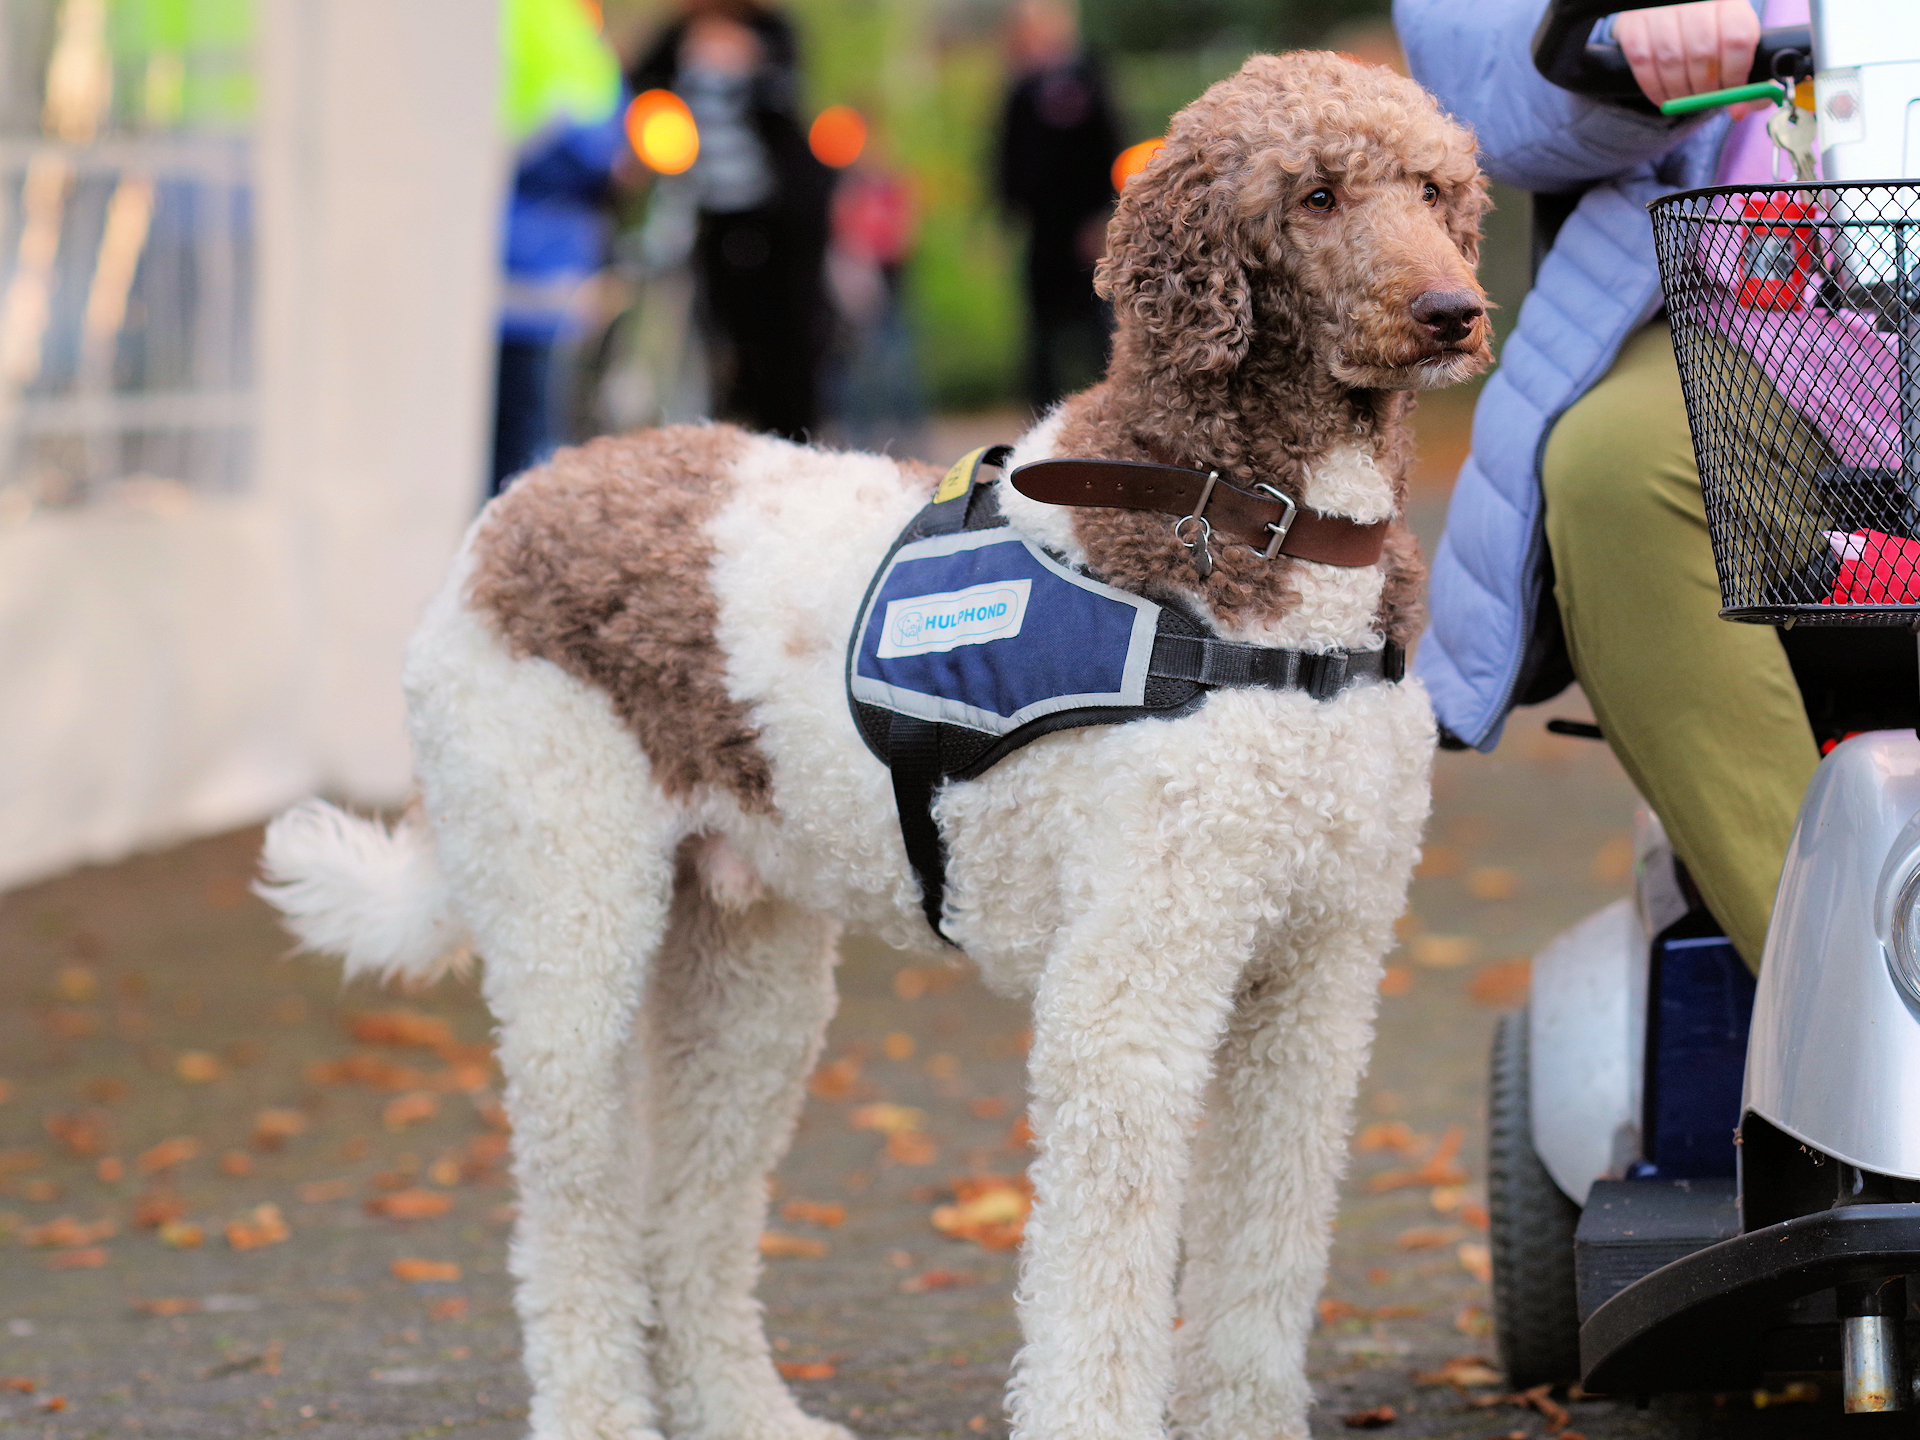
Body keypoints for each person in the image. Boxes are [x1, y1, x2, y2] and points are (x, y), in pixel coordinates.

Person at [1395, 0, 1844, 970]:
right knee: (1615, 470)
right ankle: (1848, 992)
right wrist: (1630, 47)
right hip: (1754, 328)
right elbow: (1480, 84)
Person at [629, 0, 834, 441]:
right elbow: (636, 89)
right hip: (714, 215)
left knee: (788, 340)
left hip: (780, 215)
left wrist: (751, 63)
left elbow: (789, 95)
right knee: (725, 338)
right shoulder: (677, 35)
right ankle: (738, 437)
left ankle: (796, 441)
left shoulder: (770, 31)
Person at [493, 0, 630, 494]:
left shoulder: (549, 24)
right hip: (534, 270)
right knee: (524, 432)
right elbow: (596, 145)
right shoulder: (564, 30)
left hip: (518, 270)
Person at [994, 0, 1122, 411]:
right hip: (1042, 236)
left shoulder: (1089, 79)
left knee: (1100, 337)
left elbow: (1110, 148)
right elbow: (1005, 160)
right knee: (1042, 345)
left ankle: (1115, 414)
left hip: (1087, 233)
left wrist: (1107, 215)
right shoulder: (1020, 90)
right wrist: (1004, 218)